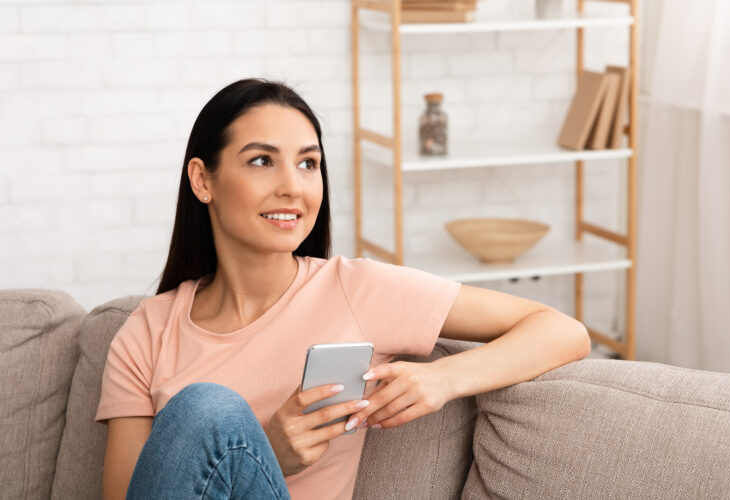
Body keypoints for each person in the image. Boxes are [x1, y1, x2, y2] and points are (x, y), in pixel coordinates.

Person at [95, 78, 591, 500]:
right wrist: (267, 451)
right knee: (205, 410)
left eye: (308, 164)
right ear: (204, 180)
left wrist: (445, 379)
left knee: (207, 406)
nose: (294, 186)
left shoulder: (355, 288)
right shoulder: (149, 330)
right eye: (262, 161)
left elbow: (561, 331)